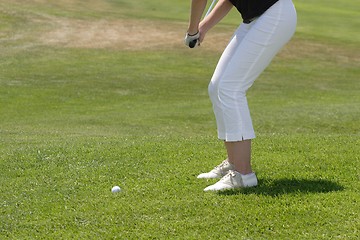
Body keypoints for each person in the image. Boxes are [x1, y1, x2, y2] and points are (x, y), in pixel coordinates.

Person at [184, 0, 297, 191]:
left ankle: (243, 174)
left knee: (230, 88)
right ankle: (234, 163)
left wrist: (193, 30)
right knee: (217, 86)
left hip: (274, 13)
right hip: (255, 18)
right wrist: (204, 26)